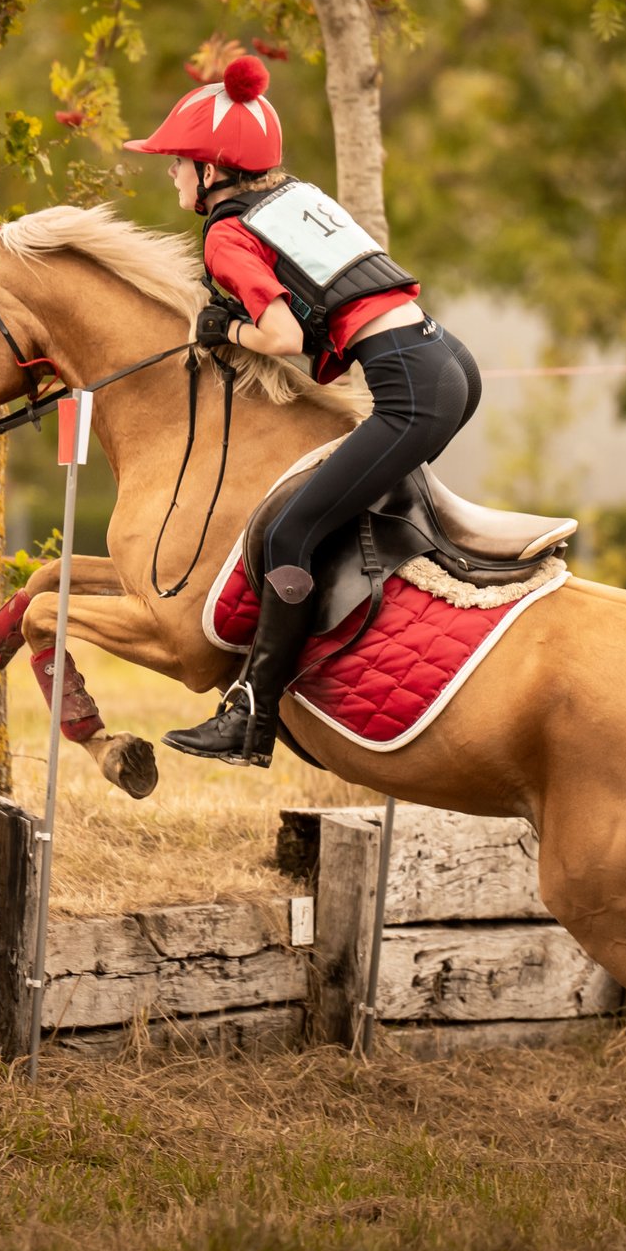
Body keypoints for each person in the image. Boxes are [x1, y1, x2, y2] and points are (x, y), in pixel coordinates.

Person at [124, 55, 484, 767]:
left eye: (178, 161)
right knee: (329, 515)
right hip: (448, 359)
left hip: (411, 386)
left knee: (288, 535)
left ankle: (250, 721)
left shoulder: (227, 234)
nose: (169, 172)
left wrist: (223, 328)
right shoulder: (295, 196)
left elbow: (284, 337)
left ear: (211, 170)